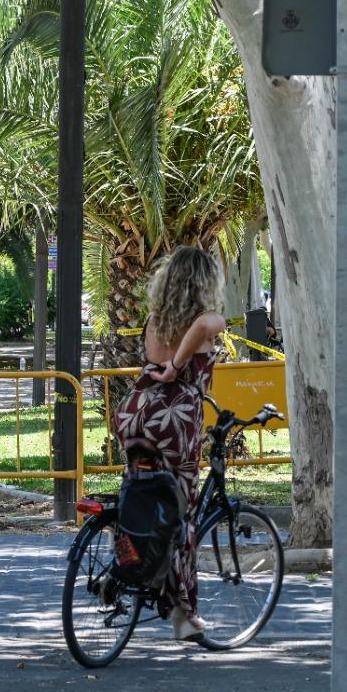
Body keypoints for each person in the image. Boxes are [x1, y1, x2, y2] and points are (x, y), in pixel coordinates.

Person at [112, 246, 227, 642]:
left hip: (136, 415)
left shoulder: (154, 320)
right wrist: (178, 367)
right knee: (182, 515)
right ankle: (183, 615)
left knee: (139, 496)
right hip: (175, 423)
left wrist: (168, 364)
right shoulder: (205, 320)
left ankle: (127, 571)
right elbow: (206, 325)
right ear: (204, 282)